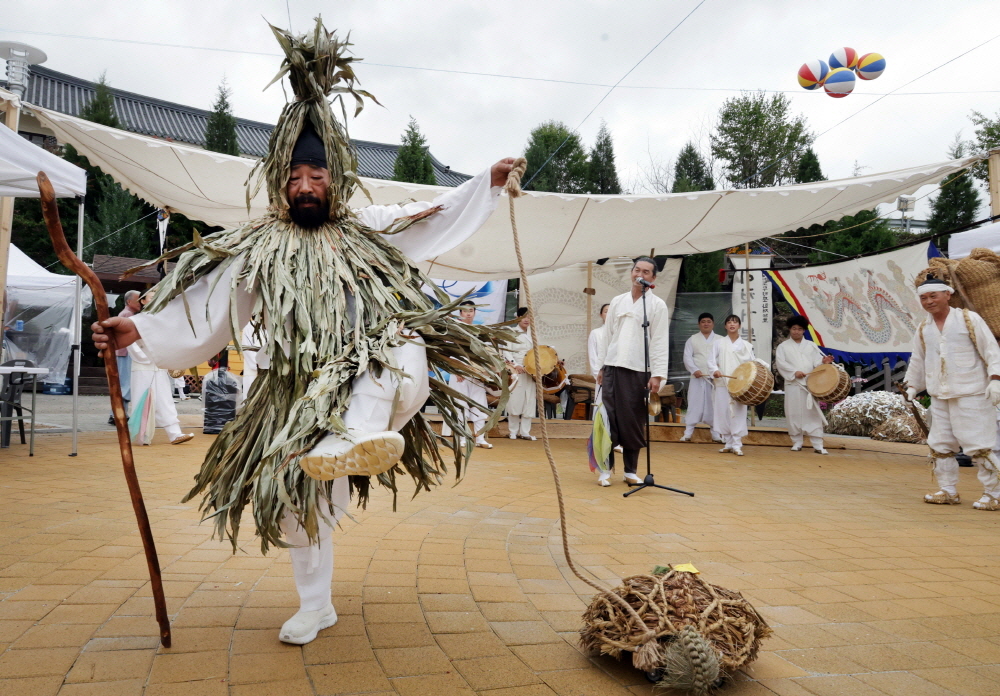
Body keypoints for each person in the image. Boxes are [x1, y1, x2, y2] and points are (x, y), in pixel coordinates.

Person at [91, 19, 514, 646]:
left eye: (316, 177)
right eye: (294, 178)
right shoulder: (263, 246)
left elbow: (431, 213)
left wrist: (488, 182)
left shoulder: (368, 223)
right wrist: (135, 330)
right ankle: (316, 604)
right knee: (300, 496)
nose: (306, 186)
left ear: (334, 180)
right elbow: (208, 301)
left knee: (397, 340)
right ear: (281, 185)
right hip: (295, 391)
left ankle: (365, 434)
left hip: (377, 376)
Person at [904, 276, 1000, 510]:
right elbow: (918, 358)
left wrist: (995, 379)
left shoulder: (969, 319)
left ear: (947, 295)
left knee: (979, 445)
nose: (928, 302)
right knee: (940, 444)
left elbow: (991, 350)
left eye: (933, 296)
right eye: (924, 298)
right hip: (939, 395)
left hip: (972, 393)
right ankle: (947, 491)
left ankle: (994, 493)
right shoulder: (923, 327)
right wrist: (912, 386)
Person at [595, 257, 669, 485]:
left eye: (646, 272)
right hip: (613, 367)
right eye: (637, 269)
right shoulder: (617, 301)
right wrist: (601, 366)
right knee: (608, 417)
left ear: (653, 278)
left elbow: (659, 341)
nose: (641, 274)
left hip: (639, 371)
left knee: (633, 420)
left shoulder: (657, 305)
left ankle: (630, 471)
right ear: (631, 273)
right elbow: (607, 336)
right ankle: (605, 470)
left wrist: (657, 374)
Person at [126, 291, 194, 446]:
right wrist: (144, 358)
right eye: (151, 297)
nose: (155, 299)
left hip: (159, 366)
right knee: (141, 401)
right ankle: (141, 436)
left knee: (165, 399)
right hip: (142, 367)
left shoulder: (162, 320)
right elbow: (130, 343)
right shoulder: (135, 320)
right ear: (142, 301)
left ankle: (175, 434)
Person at [775, 316, 834, 455]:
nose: (796, 331)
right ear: (789, 329)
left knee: (812, 414)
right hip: (793, 384)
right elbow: (781, 364)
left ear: (804, 331)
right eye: (794, 328)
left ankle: (818, 444)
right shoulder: (783, 347)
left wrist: (823, 362)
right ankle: (797, 442)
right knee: (793, 412)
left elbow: (816, 362)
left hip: (809, 384)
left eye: (799, 329)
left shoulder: (811, 345)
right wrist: (794, 372)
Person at [443, 301, 492, 448]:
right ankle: (462, 438)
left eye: (471, 310)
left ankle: (480, 439)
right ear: (460, 313)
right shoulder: (454, 329)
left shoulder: (478, 330)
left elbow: (485, 352)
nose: (468, 313)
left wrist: (484, 370)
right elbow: (447, 351)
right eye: (465, 311)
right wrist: (456, 369)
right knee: (460, 406)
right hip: (459, 372)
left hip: (476, 372)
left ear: (475, 312)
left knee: (480, 404)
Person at [708, 314, 755, 456]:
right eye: (729, 322)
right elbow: (710, 360)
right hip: (723, 382)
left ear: (739, 325)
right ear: (725, 326)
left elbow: (752, 364)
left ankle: (737, 444)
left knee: (738, 413)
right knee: (722, 412)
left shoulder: (747, 345)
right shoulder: (718, 343)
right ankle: (727, 442)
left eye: (735, 322)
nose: (732, 324)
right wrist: (715, 370)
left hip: (739, 384)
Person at [681, 313, 721, 443]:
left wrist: (716, 370)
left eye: (709, 321)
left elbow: (723, 357)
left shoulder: (720, 340)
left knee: (713, 404)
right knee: (694, 403)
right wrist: (695, 370)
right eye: (703, 321)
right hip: (697, 377)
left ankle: (716, 434)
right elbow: (687, 357)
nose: (706, 324)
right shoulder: (692, 339)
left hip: (714, 378)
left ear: (713, 324)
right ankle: (688, 433)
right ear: (699, 324)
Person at [107, 290, 141, 425]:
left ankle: (117, 413)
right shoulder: (127, 315)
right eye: (139, 299)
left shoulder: (128, 314)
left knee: (124, 384)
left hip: (125, 353)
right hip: (126, 353)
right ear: (129, 302)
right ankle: (117, 414)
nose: (140, 302)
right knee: (125, 384)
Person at [503, 307, 537, 440]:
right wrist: (515, 364)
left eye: (529, 317)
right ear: (518, 317)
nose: (527, 319)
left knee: (529, 400)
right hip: (516, 371)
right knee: (515, 400)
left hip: (531, 372)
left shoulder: (533, 334)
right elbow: (506, 350)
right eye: (524, 316)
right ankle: (512, 431)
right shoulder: (511, 332)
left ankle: (525, 432)